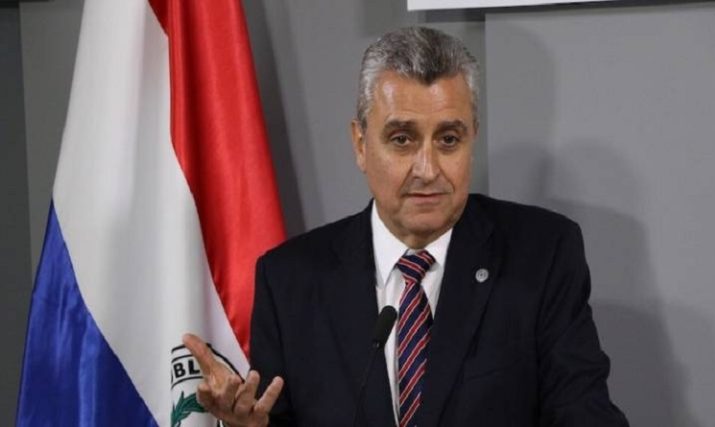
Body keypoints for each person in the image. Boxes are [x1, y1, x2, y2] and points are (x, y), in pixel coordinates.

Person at [183, 26, 629, 427]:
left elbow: (583, 410)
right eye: (402, 139)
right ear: (360, 144)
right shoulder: (290, 279)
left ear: (472, 137)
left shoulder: (542, 255)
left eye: (448, 139)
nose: (427, 169)